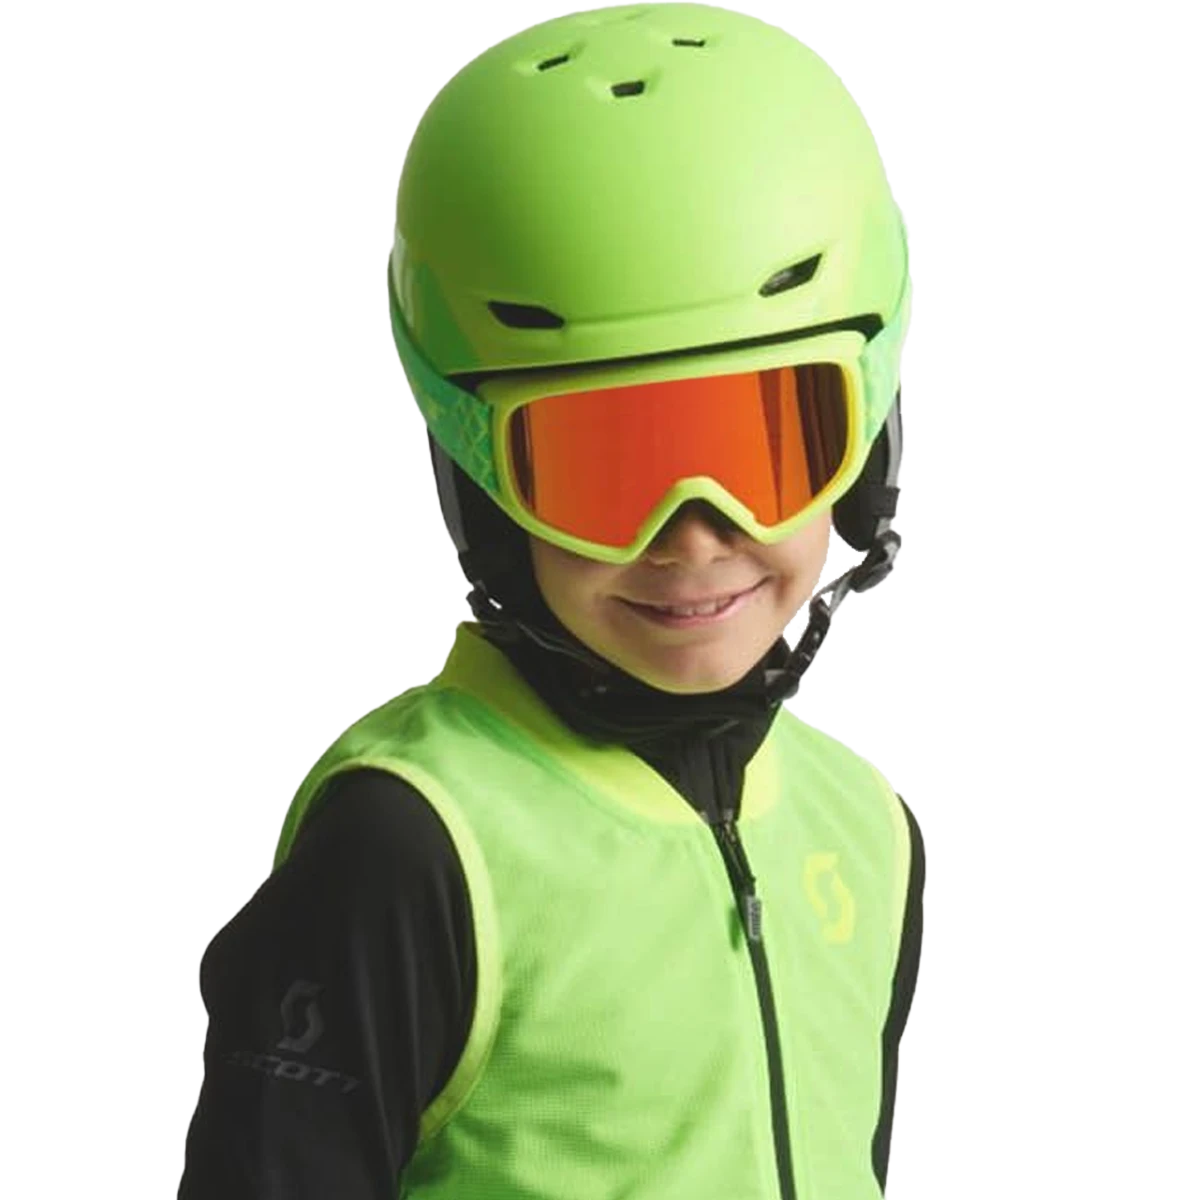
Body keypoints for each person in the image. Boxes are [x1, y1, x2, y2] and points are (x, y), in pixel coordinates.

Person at [178, 5, 924, 1198]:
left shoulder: (863, 825)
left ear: (869, 447)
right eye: (603, 465)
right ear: (480, 482)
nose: (693, 534)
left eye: (769, 445)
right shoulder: (411, 844)